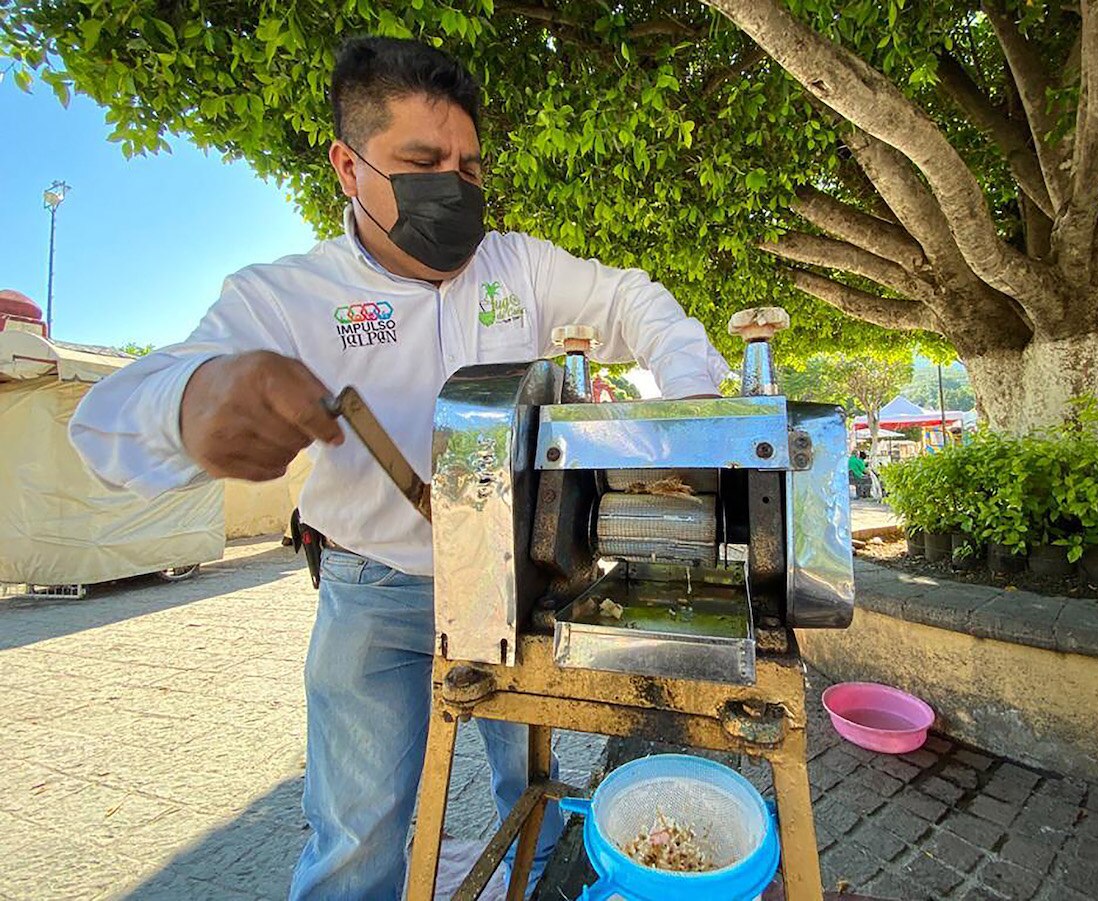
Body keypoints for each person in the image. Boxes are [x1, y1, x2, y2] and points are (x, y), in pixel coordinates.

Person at [68, 37, 729, 901]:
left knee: (526, 788)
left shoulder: (519, 268)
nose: (450, 186)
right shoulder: (287, 297)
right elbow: (104, 424)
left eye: (468, 165)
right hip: (374, 591)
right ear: (349, 166)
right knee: (358, 832)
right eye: (420, 161)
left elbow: (630, 299)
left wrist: (691, 401)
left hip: (515, 583)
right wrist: (193, 400)